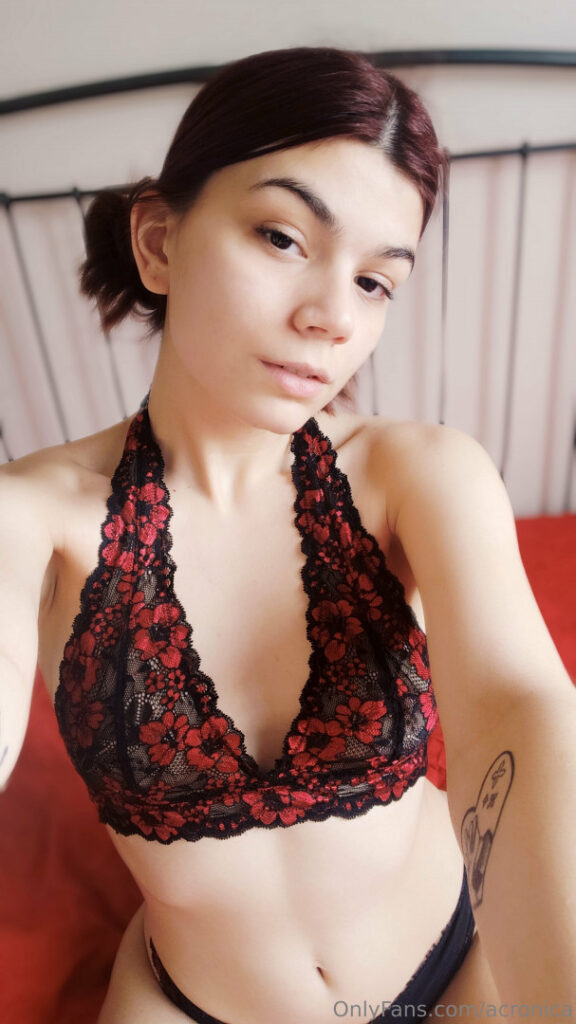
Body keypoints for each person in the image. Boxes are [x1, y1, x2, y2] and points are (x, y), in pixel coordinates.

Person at [0, 46, 574, 1024]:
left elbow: (519, 709)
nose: (331, 317)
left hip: (462, 961)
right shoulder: (32, 516)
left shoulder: (418, 475)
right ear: (158, 242)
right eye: (281, 236)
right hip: (190, 1002)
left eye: (376, 283)